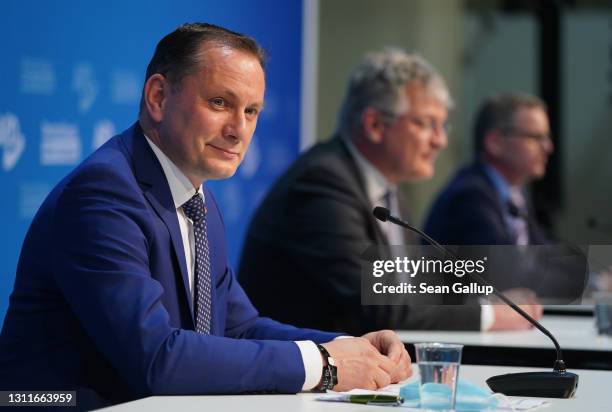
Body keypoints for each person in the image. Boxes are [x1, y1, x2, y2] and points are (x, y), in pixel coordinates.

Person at [0, 24, 411, 410]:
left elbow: (240, 328)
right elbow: (157, 358)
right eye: (220, 103)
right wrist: (324, 365)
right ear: (158, 97)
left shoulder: (199, 200)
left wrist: (352, 348)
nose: (239, 129)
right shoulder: (103, 195)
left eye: (251, 111)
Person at [238, 49, 541, 337]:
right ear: (375, 125)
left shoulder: (387, 191)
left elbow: (413, 290)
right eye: (427, 124)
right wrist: (488, 315)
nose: (440, 141)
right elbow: (383, 307)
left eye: (443, 126)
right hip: (298, 380)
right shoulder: (322, 185)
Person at [424, 93, 553, 246]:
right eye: (535, 137)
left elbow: (541, 251)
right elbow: (503, 265)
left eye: (546, 137)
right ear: (495, 143)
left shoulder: (515, 193)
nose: (548, 147)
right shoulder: (470, 195)